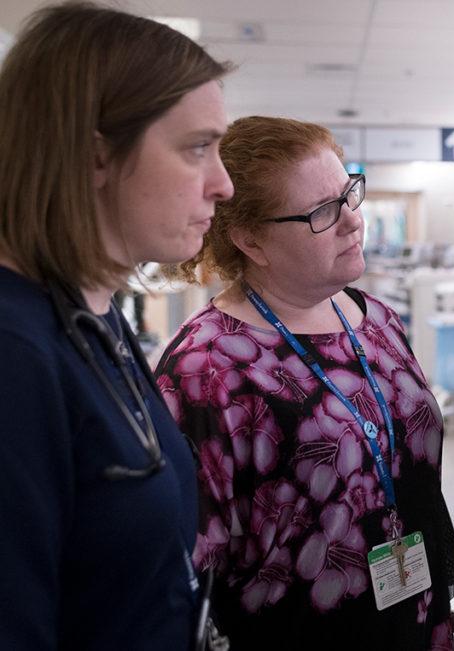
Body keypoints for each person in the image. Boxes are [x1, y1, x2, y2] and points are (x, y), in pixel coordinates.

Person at [155, 116, 454, 650]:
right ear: (251, 240)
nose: (352, 220)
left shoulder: (378, 322)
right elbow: (187, 567)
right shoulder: (208, 370)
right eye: (323, 211)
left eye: (348, 194)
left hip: (412, 621)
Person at [0, 3, 235, 649]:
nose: (224, 184)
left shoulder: (91, 314)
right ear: (93, 154)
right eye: (197, 149)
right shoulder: (16, 352)